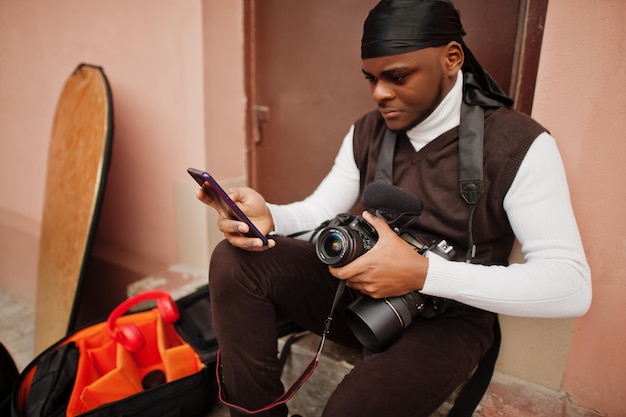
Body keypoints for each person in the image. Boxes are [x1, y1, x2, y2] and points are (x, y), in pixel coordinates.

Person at [196, 1, 592, 416]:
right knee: (235, 260)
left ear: (451, 58)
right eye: (372, 78)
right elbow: (320, 208)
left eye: (397, 76)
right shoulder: (368, 129)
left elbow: (571, 284)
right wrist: (270, 218)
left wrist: (424, 273)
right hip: (360, 298)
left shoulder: (518, 143)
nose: (379, 92)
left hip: (446, 322)